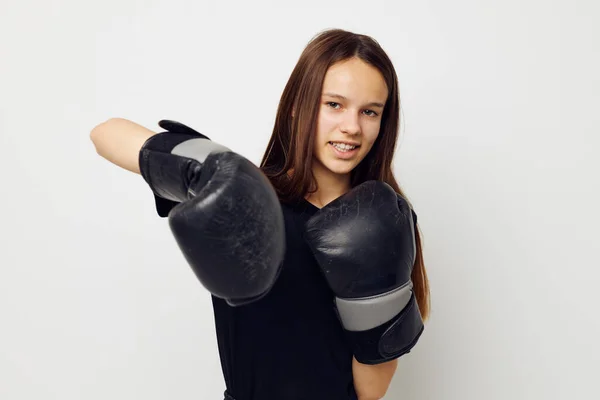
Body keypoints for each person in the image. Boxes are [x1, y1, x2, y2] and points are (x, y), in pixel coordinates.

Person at [91, 28, 430, 400]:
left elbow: (370, 391)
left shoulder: (388, 218)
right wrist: (204, 170)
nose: (351, 127)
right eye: (333, 104)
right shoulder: (246, 200)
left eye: (369, 111)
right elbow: (105, 133)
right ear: (299, 105)